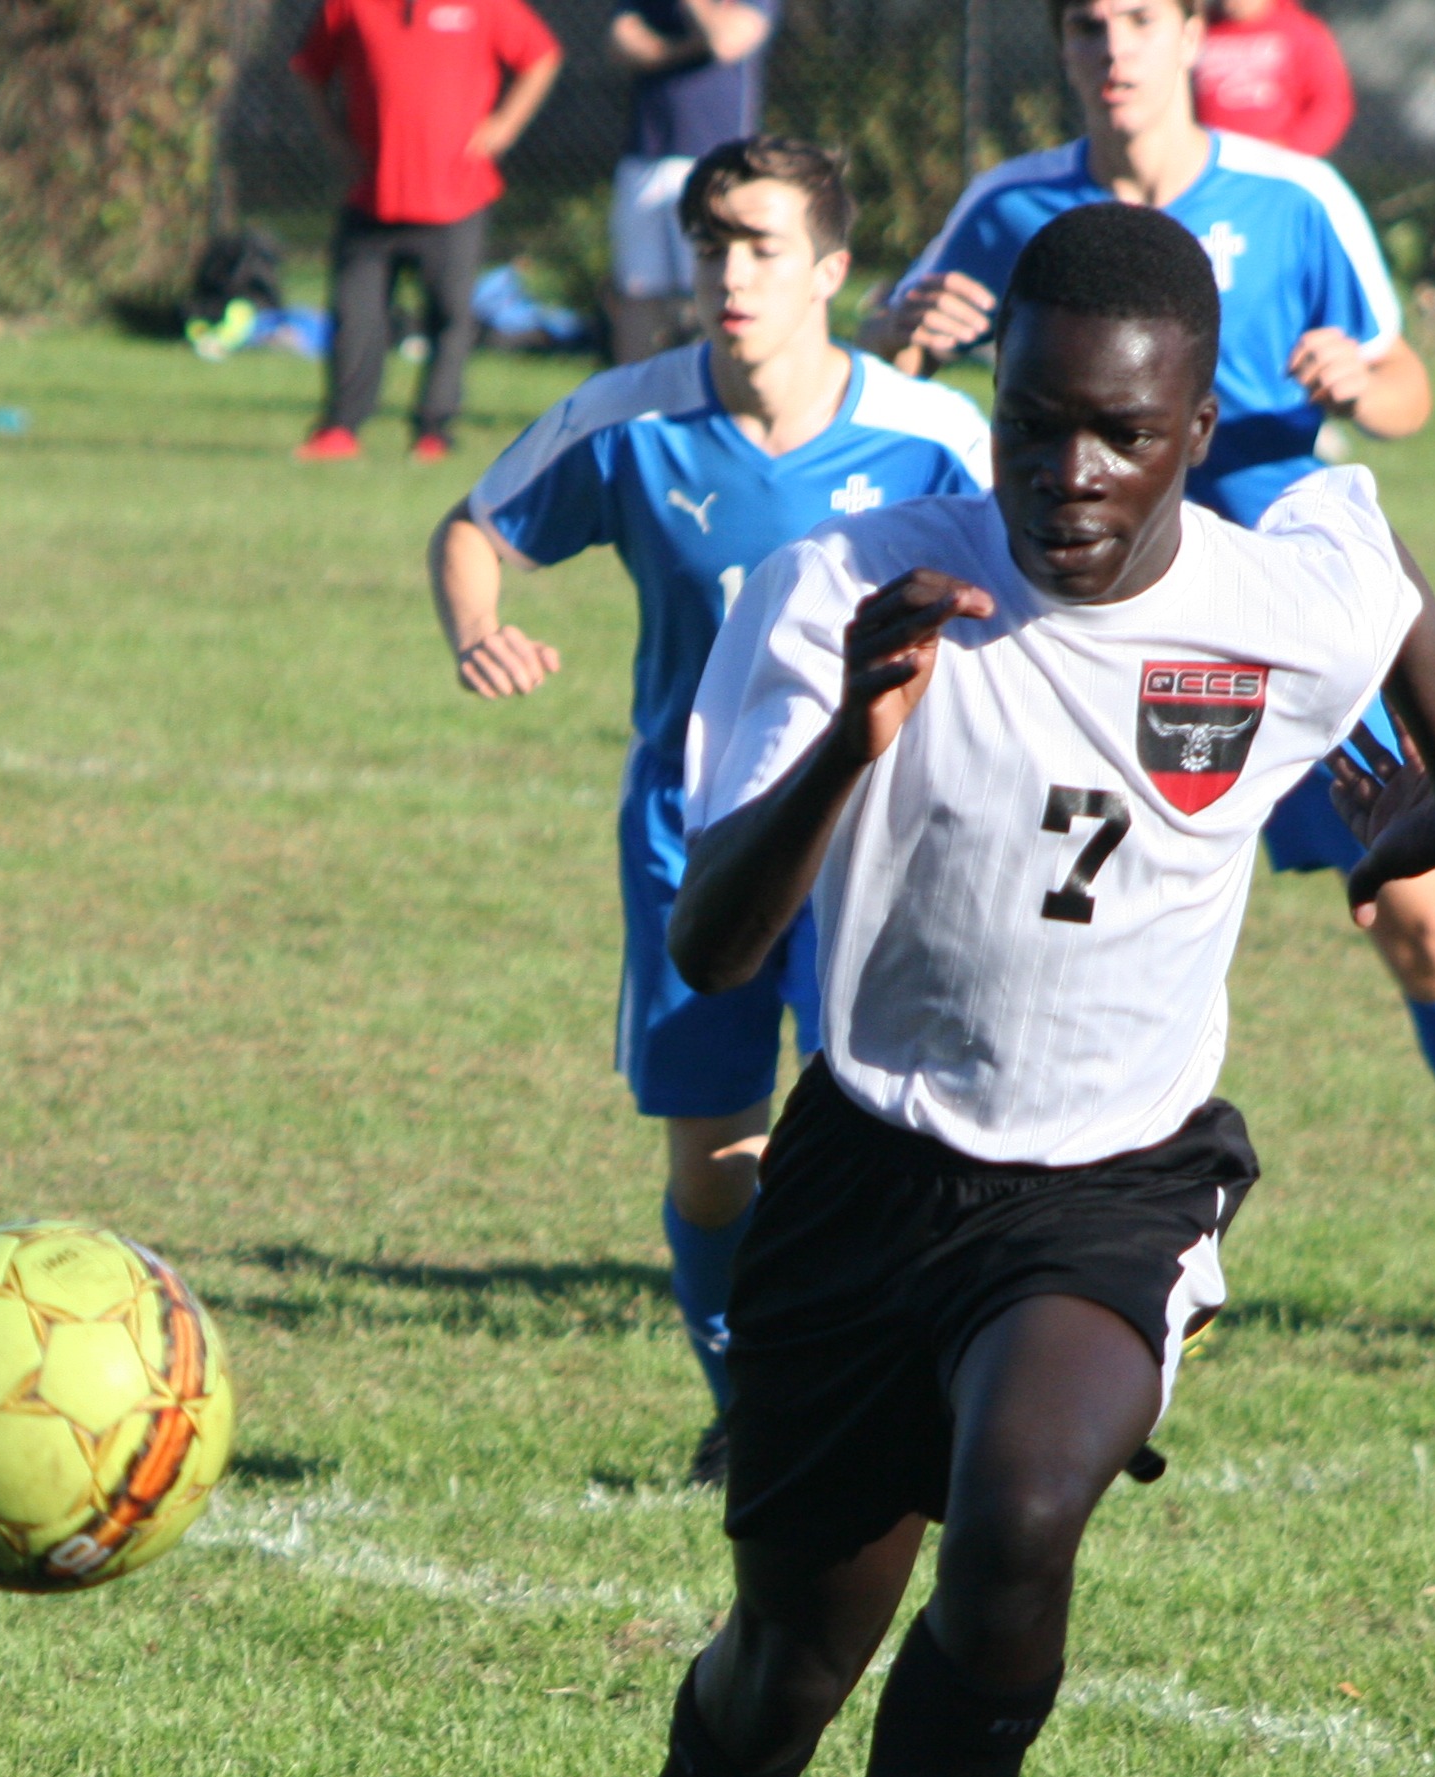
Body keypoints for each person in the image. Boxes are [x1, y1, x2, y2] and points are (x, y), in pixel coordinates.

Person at [535, 199, 1435, 1777]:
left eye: (1126, 438)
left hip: (1115, 1184)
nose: (1073, 474)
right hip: (868, 1170)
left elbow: (1390, 617)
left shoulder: (1277, 593)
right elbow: (719, 948)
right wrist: (846, 741)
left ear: (1192, 426)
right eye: (1038, 425)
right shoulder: (842, 583)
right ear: (992, 398)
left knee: (1028, 1513)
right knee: (779, 1667)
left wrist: (1414, 815)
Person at [862, 0, 1435, 1387]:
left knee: (1424, 918)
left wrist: (1369, 379)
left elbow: (1406, 385)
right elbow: (898, 363)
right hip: (1083, 643)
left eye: (1142, 18)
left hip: (1271, 638)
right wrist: (910, 328)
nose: (1113, 46)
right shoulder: (1010, 205)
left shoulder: (1297, 196)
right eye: (1086, 24)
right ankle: (1011, 1237)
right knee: (1044, 925)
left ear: (1197, 31)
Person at [430, 137, 989, 1485]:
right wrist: (477, 624)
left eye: (762, 246)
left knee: (896, 1133)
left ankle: (917, 1384)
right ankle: (752, 1407)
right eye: (710, 246)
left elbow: (1023, 586)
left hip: (874, 828)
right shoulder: (630, 419)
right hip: (695, 836)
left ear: (833, 271)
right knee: (719, 1162)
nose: (731, 274)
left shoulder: (929, 438)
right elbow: (474, 525)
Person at [291, 0, 564, 464]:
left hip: (456, 196)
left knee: (450, 316)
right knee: (356, 315)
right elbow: (309, 68)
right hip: (372, 195)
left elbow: (541, 56)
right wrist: (334, 137)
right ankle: (340, 427)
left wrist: (505, 125)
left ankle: (434, 429)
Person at [604, 0, 778, 367]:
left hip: (716, 159)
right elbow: (621, 43)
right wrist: (685, 49)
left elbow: (725, 42)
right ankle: (635, 405)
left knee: (711, 288)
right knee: (639, 291)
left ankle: (709, 399)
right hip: (645, 157)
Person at [1189, 0, 1350, 157]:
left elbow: (1330, 102)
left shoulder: (1301, 32)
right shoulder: (1203, 30)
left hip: (1277, 165)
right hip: (1211, 161)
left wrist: (1288, 148)